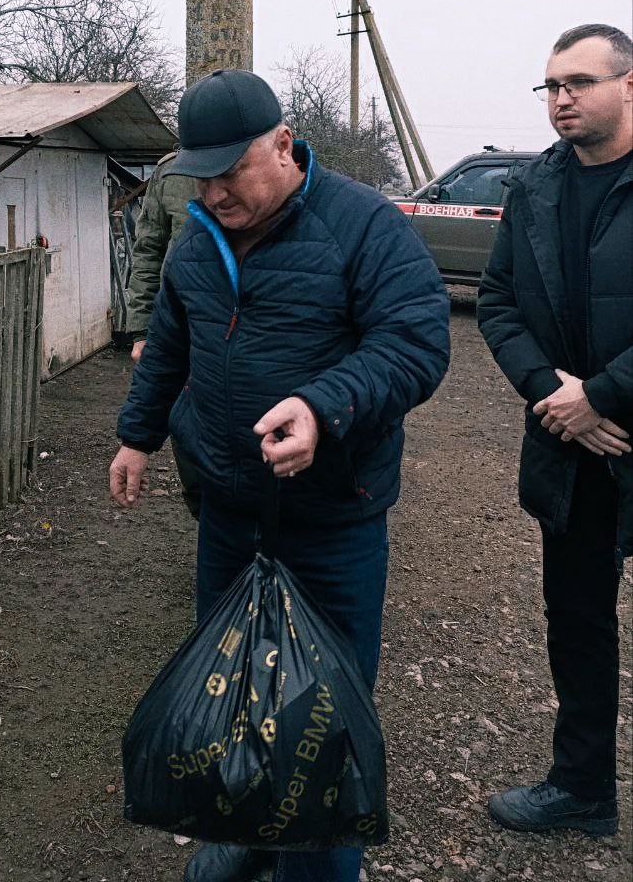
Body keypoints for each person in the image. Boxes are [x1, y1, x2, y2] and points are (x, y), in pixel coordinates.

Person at [110, 69, 450, 882]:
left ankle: (320, 868)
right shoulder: (199, 239)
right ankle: (252, 833)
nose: (218, 191)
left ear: (285, 145)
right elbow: (171, 345)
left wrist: (323, 407)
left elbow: (415, 343)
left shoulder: (365, 225)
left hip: (333, 519)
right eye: (204, 175)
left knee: (319, 707)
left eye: (234, 171)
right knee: (234, 691)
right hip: (227, 512)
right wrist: (137, 436)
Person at [478, 23, 632, 838]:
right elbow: (498, 304)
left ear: (629, 86)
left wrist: (604, 394)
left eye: (577, 82)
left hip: (615, 423)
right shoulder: (533, 189)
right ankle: (583, 790)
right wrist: (554, 397)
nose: (560, 98)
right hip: (569, 448)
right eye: (550, 86)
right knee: (576, 622)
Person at [125, 152, 201, 515]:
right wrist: (141, 329)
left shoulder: (261, 161)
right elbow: (148, 252)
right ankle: (204, 513)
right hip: (179, 328)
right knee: (188, 430)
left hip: (244, 324)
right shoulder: (171, 173)